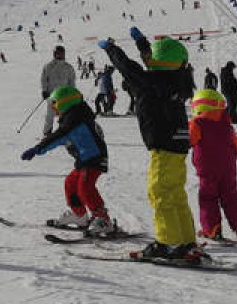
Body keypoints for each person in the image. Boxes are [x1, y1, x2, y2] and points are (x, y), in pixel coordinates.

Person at [100, 29, 205, 263]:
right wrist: (141, 42)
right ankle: (185, 241)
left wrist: (110, 49)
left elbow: (128, 68)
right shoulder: (179, 78)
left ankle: (168, 244)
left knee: (159, 193)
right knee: (175, 193)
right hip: (178, 143)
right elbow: (153, 61)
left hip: (163, 144)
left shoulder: (150, 82)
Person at [20, 85, 114, 236]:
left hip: (93, 159)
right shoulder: (75, 117)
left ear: (64, 102)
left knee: (85, 188)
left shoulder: (74, 121)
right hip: (85, 160)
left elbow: (57, 137)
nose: (54, 108)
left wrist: (37, 149)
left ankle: (103, 220)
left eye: (55, 104)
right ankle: (80, 216)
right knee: (70, 183)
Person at [189, 89, 237, 242]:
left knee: (208, 197)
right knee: (231, 196)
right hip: (228, 168)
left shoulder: (197, 123)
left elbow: (190, 140)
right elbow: (236, 144)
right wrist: (231, 159)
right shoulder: (226, 124)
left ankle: (212, 228)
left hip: (207, 169)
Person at [40, 45, 77, 137]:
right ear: (54, 54)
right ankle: (47, 132)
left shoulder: (68, 67)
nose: (60, 55)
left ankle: (63, 131)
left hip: (64, 95)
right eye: (58, 53)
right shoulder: (48, 66)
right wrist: (44, 91)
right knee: (50, 114)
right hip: (52, 94)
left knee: (64, 114)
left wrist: (72, 93)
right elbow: (44, 79)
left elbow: (71, 81)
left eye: (62, 53)